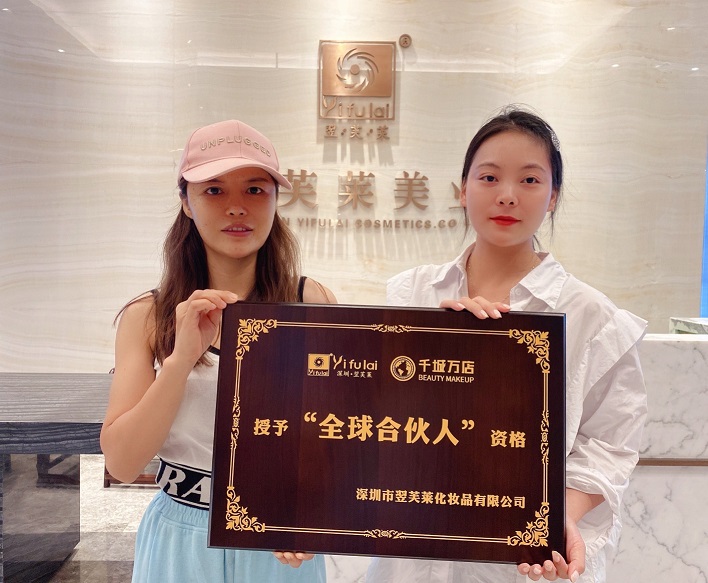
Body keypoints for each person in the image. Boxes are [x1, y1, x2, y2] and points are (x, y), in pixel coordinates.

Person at [366, 107, 647, 583]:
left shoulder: (591, 316)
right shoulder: (410, 295)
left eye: (530, 180)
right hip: (412, 554)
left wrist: (558, 515)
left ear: (553, 196)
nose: (508, 195)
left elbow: (611, 443)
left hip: (522, 565)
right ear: (463, 189)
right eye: (489, 177)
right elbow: (369, 416)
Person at [100, 119, 335, 582]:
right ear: (186, 202)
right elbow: (123, 463)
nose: (236, 207)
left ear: (276, 200)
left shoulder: (310, 303)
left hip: (278, 540)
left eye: (255, 189)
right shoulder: (148, 316)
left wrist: (314, 512)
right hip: (181, 538)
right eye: (213, 190)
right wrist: (180, 361)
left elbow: (339, 438)